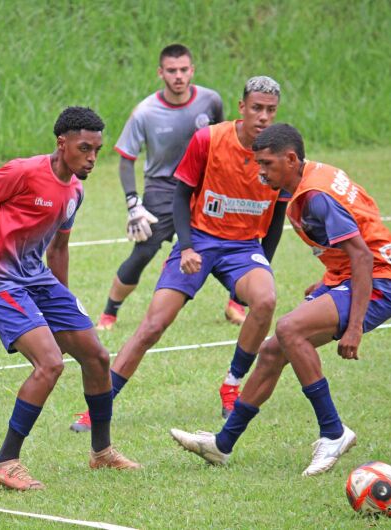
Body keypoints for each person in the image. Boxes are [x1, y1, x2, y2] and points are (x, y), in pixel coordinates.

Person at [170, 123, 391, 476]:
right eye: (258, 164)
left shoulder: (315, 195)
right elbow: (362, 228)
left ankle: (333, 431)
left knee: (289, 328)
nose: (260, 172)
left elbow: (363, 257)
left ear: (291, 159)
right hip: (352, 279)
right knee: (270, 351)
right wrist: (328, 280)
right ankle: (222, 445)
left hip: (377, 285)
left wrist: (354, 326)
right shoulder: (312, 179)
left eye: (267, 164)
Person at [71, 77, 287, 431]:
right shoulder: (210, 139)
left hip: (244, 248)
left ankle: (231, 387)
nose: (263, 116)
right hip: (199, 240)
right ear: (241, 107)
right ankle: (100, 405)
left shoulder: (281, 151)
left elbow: (278, 216)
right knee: (153, 325)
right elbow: (180, 195)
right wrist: (186, 245)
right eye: (257, 108)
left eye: (270, 110)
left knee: (265, 300)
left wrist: (264, 263)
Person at [0, 107, 141, 491]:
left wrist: (62, 306)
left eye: (97, 150)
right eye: (85, 148)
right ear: (61, 143)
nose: (92, 159)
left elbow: (59, 248)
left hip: (40, 281)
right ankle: (5, 462)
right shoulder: (22, 171)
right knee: (50, 364)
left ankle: (101, 452)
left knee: (97, 357)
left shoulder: (75, 191)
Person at [95, 44, 247, 336]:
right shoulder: (145, 112)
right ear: (160, 73)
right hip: (162, 189)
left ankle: (236, 305)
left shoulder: (210, 100)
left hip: (204, 187)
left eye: (183, 70)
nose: (178, 76)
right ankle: (109, 313)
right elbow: (126, 160)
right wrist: (133, 204)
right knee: (144, 251)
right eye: (171, 70)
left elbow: (221, 141)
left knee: (227, 244)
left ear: (192, 70)